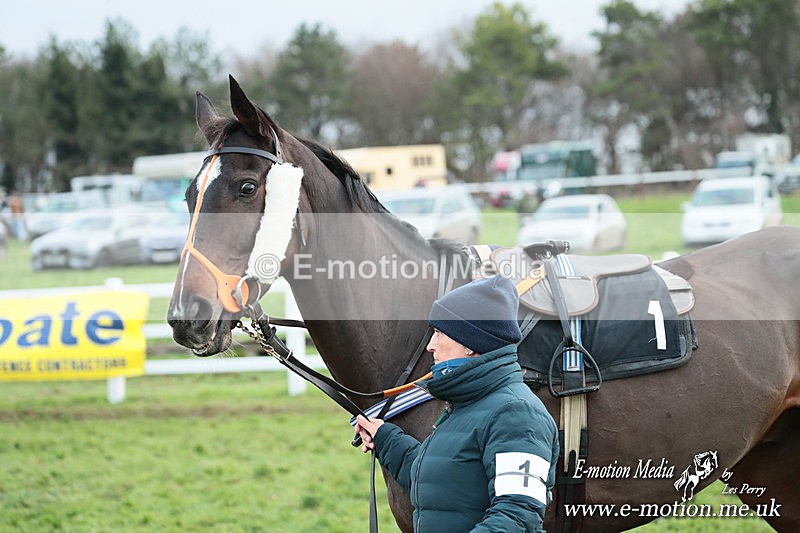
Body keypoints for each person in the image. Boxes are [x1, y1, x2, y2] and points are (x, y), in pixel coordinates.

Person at [355, 274, 559, 532]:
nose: (430, 345)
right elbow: (439, 481)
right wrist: (385, 438)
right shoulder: (469, 403)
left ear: (470, 345)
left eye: (439, 333)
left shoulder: (517, 414)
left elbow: (516, 518)